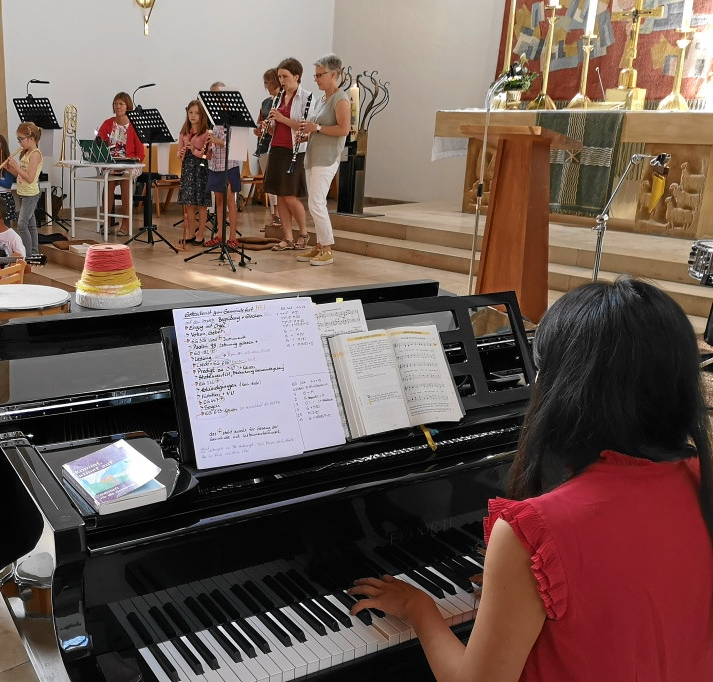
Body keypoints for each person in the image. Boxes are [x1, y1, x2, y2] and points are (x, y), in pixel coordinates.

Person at [349, 277, 713, 681]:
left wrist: (419, 609)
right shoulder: (703, 482)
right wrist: (520, 592)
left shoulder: (537, 529)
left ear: (563, 389)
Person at [296, 54, 350, 266]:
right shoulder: (321, 100)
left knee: (316, 203)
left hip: (327, 158)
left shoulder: (341, 99)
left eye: (320, 75)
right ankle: (319, 246)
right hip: (313, 156)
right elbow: (317, 129)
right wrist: (307, 134)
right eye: (315, 75)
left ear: (334, 74)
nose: (316, 79)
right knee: (314, 203)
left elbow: (344, 129)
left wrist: (316, 128)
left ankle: (327, 248)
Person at [265, 58, 313, 252]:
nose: (281, 81)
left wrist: (282, 118)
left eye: (285, 76)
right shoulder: (278, 97)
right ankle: (287, 237)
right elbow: (276, 128)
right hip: (277, 148)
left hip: (294, 151)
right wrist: (267, 127)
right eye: (279, 77)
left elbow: (304, 127)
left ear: (297, 76)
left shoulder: (307, 97)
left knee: (291, 196)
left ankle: (304, 233)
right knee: (280, 195)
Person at [97, 92, 145, 237]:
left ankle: (126, 223)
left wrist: (132, 161)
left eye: (121, 104)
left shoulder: (134, 126)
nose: (118, 106)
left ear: (128, 106)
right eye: (115, 103)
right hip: (112, 163)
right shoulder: (108, 123)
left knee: (125, 179)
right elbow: (99, 143)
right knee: (109, 182)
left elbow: (141, 154)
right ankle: (106, 221)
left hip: (130, 164)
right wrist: (99, 142)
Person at [204, 82, 243, 248]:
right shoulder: (215, 118)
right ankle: (220, 235)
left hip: (230, 164)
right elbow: (215, 141)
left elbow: (234, 144)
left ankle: (232, 237)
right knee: (218, 201)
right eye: (213, 94)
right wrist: (210, 148)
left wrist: (217, 141)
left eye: (218, 94)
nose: (216, 97)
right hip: (215, 164)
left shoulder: (234, 116)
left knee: (230, 201)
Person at [5, 122, 43, 257]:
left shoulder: (35, 154)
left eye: (21, 139)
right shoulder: (26, 153)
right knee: (31, 225)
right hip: (23, 193)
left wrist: (16, 166)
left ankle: (27, 255)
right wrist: (11, 169)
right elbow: (21, 175)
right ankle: (34, 252)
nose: (19, 142)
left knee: (22, 225)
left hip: (30, 194)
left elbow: (30, 178)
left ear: (31, 139)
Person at [176, 99, 211, 247]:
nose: (193, 116)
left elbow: (208, 155)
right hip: (188, 168)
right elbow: (179, 152)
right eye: (190, 112)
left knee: (201, 203)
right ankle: (191, 233)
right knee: (189, 203)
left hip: (201, 169)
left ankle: (201, 235)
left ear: (201, 115)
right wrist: (181, 153)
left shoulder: (206, 133)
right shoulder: (184, 132)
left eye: (196, 113)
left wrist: (194, 150)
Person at [253, 68, 282, 232]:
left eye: (269, 82)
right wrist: (258, 130)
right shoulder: (265, 102)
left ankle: (278, 216)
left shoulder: (282, 100)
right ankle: (273, 217)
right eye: (265, 83)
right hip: (264, 145)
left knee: (275, 183)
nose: (267, 86)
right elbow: (260, 121)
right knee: (268, 183)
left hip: (276, 145)